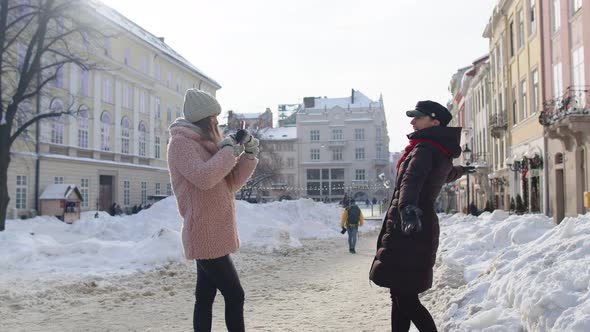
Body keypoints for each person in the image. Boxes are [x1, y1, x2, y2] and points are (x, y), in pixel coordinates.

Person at [370, 100, 474, 332]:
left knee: (405, 298)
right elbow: (442, 174)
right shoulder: (437, 149)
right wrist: (462, 171)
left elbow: (412, 180)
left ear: (435, 121)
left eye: (418, 117)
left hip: (411, 227)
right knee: (399, 294)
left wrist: (407, 207)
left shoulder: (425, 149)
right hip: (415, 225)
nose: (412, 121)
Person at [167, 89, 258, 332]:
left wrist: (248, 154)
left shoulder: (207, 144)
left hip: (215, 232)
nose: (217, 121)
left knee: (205, 298)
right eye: (213, 117)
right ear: (204, 118)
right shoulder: (180, 144)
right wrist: (227, 151)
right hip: (204, 233)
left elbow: (230, 183)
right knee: (235, 294)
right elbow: (204, 177)